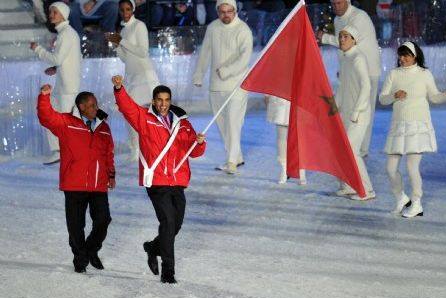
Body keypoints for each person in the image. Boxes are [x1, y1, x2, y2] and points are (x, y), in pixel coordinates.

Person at [112, 75, 207, 283]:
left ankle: (153, 247)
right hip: (156, 181)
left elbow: (194, 152)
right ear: (154, 101)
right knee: (168, 221)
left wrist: (199, 142)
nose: (163, 104)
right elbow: (127, 107)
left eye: (167, 100)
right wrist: (119, 89)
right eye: (159, 100)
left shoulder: (183, 123)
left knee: (176, 225)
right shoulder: (144, 119)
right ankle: (168, 271)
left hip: (178, 181)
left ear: (170, 101)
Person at [37, 84, 115, 273]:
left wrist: (110, 174)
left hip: (98, 184)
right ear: (81, 106)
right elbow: (46, 117)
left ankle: (91, 249)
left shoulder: (103, 127)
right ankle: (80, 257)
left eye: (96, 104)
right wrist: (44, 97)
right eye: (92, 105)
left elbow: (108, 153)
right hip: (74, 184)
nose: (96, 108)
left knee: (103, 219)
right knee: (75, 225)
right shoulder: (66, 123)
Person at [379, 42, 446, 217]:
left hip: (417, 126)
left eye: (406, 55)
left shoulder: (424, 74)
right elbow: (382, 99)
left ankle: (417, 203)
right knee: (390, 168)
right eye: (400, 55)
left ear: (415, 56)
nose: (402, 59)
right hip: (398, 126)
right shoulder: (394, 74)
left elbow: (434, 97)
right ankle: (400, 198)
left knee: (412, 168)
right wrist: (394, 96)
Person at [192, 0, 252, 174]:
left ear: (235, 11)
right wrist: (198, 75)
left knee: (234, 123)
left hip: (237, 85)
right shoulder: (213, 28)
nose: (226, 15)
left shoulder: (243, 30)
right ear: (218, 11)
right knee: (223, 125)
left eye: (229, 11)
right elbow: (205, 53)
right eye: (222, 11)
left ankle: (231, 162)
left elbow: (244, 59)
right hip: (216, 85)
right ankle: (237, 156)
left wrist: (226, 71)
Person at [317, 0, 381, 158]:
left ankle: (361, 150)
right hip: (351, 69)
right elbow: (345, 48)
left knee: (364, 110)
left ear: (347, 2)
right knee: (346, 107)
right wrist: (344, 69)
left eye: (339, 3)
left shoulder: (359, 17)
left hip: (369, 70)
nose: (335, 7)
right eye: (333, 4)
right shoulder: (338, 19)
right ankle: (350, 145)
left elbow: (346, 41)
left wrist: (324, 37)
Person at [106, 0, 159, 162]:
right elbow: (125, 58)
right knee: (130, 114)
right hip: (132, 76)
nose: (125, 12)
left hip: (145, 76)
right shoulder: (123, 30)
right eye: (122, 10)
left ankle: (156, 147)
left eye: (128, 9)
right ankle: (135, 149)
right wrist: (116, 46)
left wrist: (121, 41)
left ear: (133, 9)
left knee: (153, 115)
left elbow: (142, 52)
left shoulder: (139, 26)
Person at [30, 2, 82, 165]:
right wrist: (57, 68)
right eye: (51, 11)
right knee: (53, 117)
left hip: (68, 87)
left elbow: (58, 58)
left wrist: (38, 49)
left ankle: (68, 152)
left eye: (55, 12)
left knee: (60, 120)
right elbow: (73, 58)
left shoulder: (66, 34)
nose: (51, 14)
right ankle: (61, 151)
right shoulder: (67, 33)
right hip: (66, 85)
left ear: (63, 15)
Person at [334, 26, 374, 201]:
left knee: (351, 150)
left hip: (359, 114)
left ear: (354, 40)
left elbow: (367, 86)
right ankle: (349, 185)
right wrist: (332, 109)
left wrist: (358, 110)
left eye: (346, 36)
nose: (342, 39)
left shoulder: (358, 58)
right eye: (340, 36)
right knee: (342, 149)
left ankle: (367, 189)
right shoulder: (345, 59)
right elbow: (342, 88)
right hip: (346, 113)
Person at [265, 95, 306, 185]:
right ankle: (284, 169)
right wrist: (267, 95)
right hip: (280, 100)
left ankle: (301, 170)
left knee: (299, 138)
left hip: (298, 100)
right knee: (282, 137)